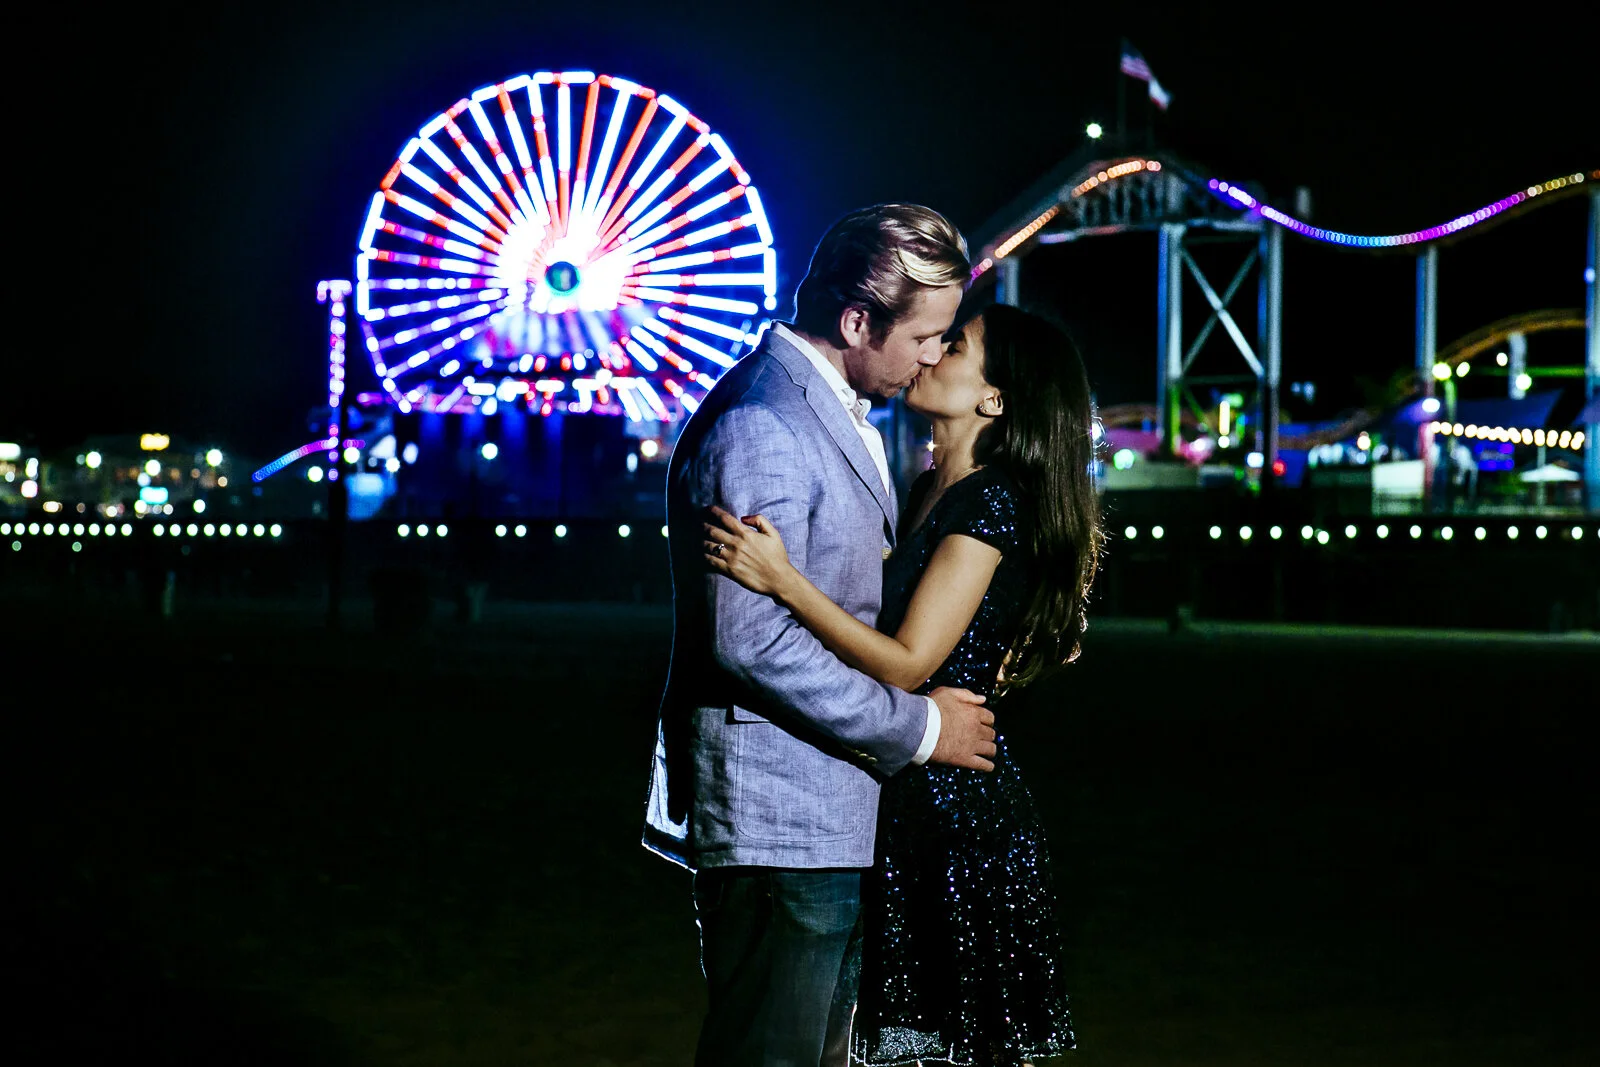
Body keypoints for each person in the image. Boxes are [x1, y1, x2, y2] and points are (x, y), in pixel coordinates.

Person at [643, 204, 1002, 1066]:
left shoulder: (832, 411)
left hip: (827, 820)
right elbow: (751, 641)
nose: (931, 355)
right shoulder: (764, 422)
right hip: (782, 822)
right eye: (926, 334)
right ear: (855, 321)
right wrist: (919, 729)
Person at [704, 302, 1101, 1065]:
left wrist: (784, 582)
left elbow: (909, 660)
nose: (931, 353)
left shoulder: (989, 501)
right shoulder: (928, 491)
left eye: (955, 346)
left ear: (994, 398)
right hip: (909, 792)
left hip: (954, 815)